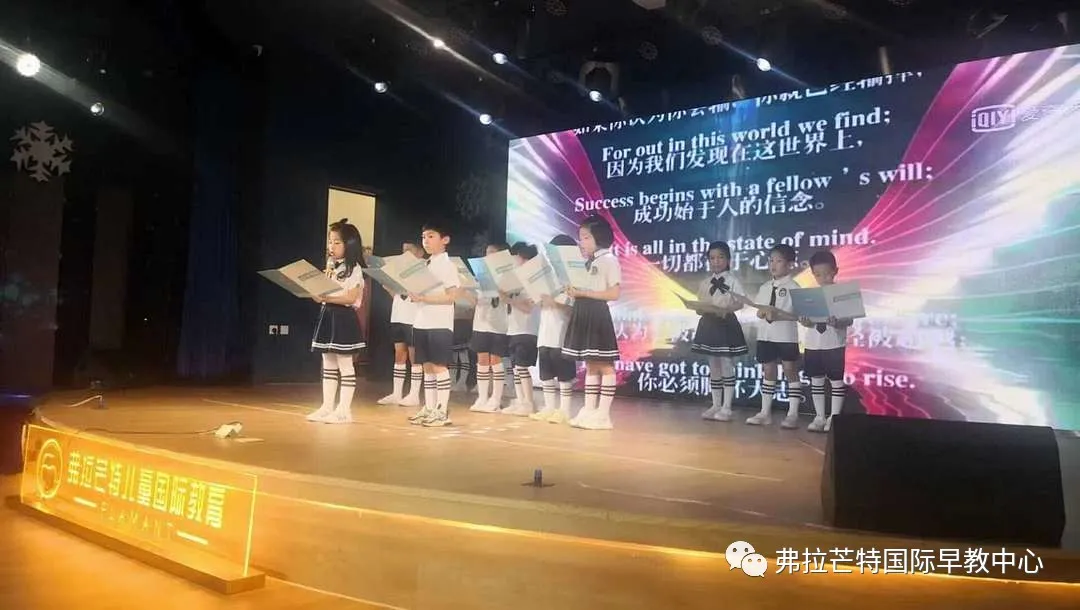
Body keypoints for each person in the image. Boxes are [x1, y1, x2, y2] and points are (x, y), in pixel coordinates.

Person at [563, 215, 621, 430]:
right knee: (590, 364)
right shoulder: (588, 262)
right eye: (581, 238)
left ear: (600, 237)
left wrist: (584, 293)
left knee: (604, 365)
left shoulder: (609, 260)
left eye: (586, 237)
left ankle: (603, 415)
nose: (582, 242)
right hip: (583, 311)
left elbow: (614, 293)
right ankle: (589, 410)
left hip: (597, 314)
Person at [307, 219, 367, 424]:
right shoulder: (330, 266)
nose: (331, 246)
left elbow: (351, 297)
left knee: (345, 364)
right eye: (330, 242)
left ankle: (343, 410)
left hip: (343, 317)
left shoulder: (355, 269)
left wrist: (326, 297)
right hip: (328, 314)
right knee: (328, 363)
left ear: (349, 244)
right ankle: (327, 407)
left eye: (337, 242)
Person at [407, 222, 461, 427]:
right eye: (423, 237)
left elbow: (452, 296)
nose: (426, 241)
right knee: (427, 367)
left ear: (445, 240)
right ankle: (429, 407)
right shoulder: (425, 265)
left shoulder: (448, 266)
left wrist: (424, 298)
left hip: (439, 323)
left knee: (439, 366)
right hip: (422, 320)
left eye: (431, 236)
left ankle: (442, 410)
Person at [745, 244, 803, 428]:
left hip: (786, 335)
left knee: (789, 370)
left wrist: (778, 315)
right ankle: (765, 413)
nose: (773, 265)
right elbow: (759, 311)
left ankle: (792, 414)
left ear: (790, 264)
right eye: (771, 260)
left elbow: (799, 316)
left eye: (778, 261)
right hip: (765, 335)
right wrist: (762, 313)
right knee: (768, 370)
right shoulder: (765, 287)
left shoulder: (794, 287)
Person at [691, 241, 748, 422]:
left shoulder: (732, 281)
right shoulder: (705, 283)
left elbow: (741, 302)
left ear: (728, 260)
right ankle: (716, 404)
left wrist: (728, 308)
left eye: (720, 257)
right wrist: (699, 309)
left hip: (725, 324)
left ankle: (727, 406)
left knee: (726, 363)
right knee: (713, 364)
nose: (716, 261)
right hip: (709, 324)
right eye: (712, 258)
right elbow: (700, 304)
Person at [798, 250, 852, 432]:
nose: (823, 278)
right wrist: (805, 321)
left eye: (827, 274)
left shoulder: (842, 293)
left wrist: (837, 322)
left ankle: (834, 417)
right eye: (818, 274)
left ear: (835, 271)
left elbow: (849, 320)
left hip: (834, 344)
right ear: (813, 274)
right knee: (816, 380)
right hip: (813, 343)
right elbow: (805, 320)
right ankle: (819, 416)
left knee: (836, 381)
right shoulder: (809, 295)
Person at [531, 234, 579, 424]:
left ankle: (564, 410)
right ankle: (549, 407)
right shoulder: (548, 275)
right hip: (545, 330)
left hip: (562, 330)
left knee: (564, 372)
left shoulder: (573, 276)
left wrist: (554, 300)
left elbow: (573, 305)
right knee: (546, 371)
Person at [377, 240, 425, 407]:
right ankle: (396, 393)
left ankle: (414, 394)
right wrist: (388, 286)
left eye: (409, 250)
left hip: (414, 317)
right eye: (403, 250)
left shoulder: (423, 269)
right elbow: (398, 296)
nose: (405, 254)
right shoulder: (399, 269)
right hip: (398, 315)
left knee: (414, 356)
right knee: (399, 354)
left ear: (420, 252)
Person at [466, 242, 511, 413]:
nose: (487, 256)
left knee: (496, 361)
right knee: (482, 360)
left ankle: (496, 399)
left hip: (498, 324)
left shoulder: (507, 275)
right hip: (480, 323)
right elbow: (475, 301)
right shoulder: (481, 275)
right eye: (486, 252)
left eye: (492, 252)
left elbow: (509, 298)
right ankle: (482, 397)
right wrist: (465, 290)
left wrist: (497, 289)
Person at [502, 242, 541, 416]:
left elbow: (528, 308)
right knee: (516, 368)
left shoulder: (533, 280)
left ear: (524, 259)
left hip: (527, 329)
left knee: (522, 367)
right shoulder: (514, 279)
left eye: (516, 257)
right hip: (514, 328)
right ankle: (520, 400)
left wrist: (509, 300)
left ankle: (529, 403)